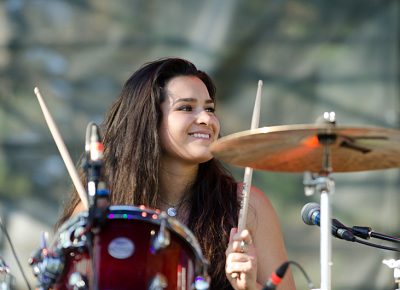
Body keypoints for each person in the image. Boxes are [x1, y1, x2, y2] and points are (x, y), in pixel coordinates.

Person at [57, 57, 296, 290]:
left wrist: (248, 288)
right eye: (186, 108)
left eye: (210, 108)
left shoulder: (246, 204)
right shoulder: (98, 210)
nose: (207, 119)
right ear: (149, 120)